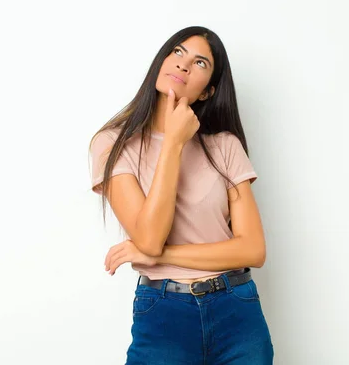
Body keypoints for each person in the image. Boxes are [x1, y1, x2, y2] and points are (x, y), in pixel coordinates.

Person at [89, 26, 274, 364]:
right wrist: (173, 143)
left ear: (208, 91)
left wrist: (158, 255)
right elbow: (148, 236)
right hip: (163, 315)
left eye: (200, 62)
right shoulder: (112, 145)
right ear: (160, 62)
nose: (184, 65)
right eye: (177, 52)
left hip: (237, 311)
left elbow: (253, 249)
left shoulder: (224, 146)